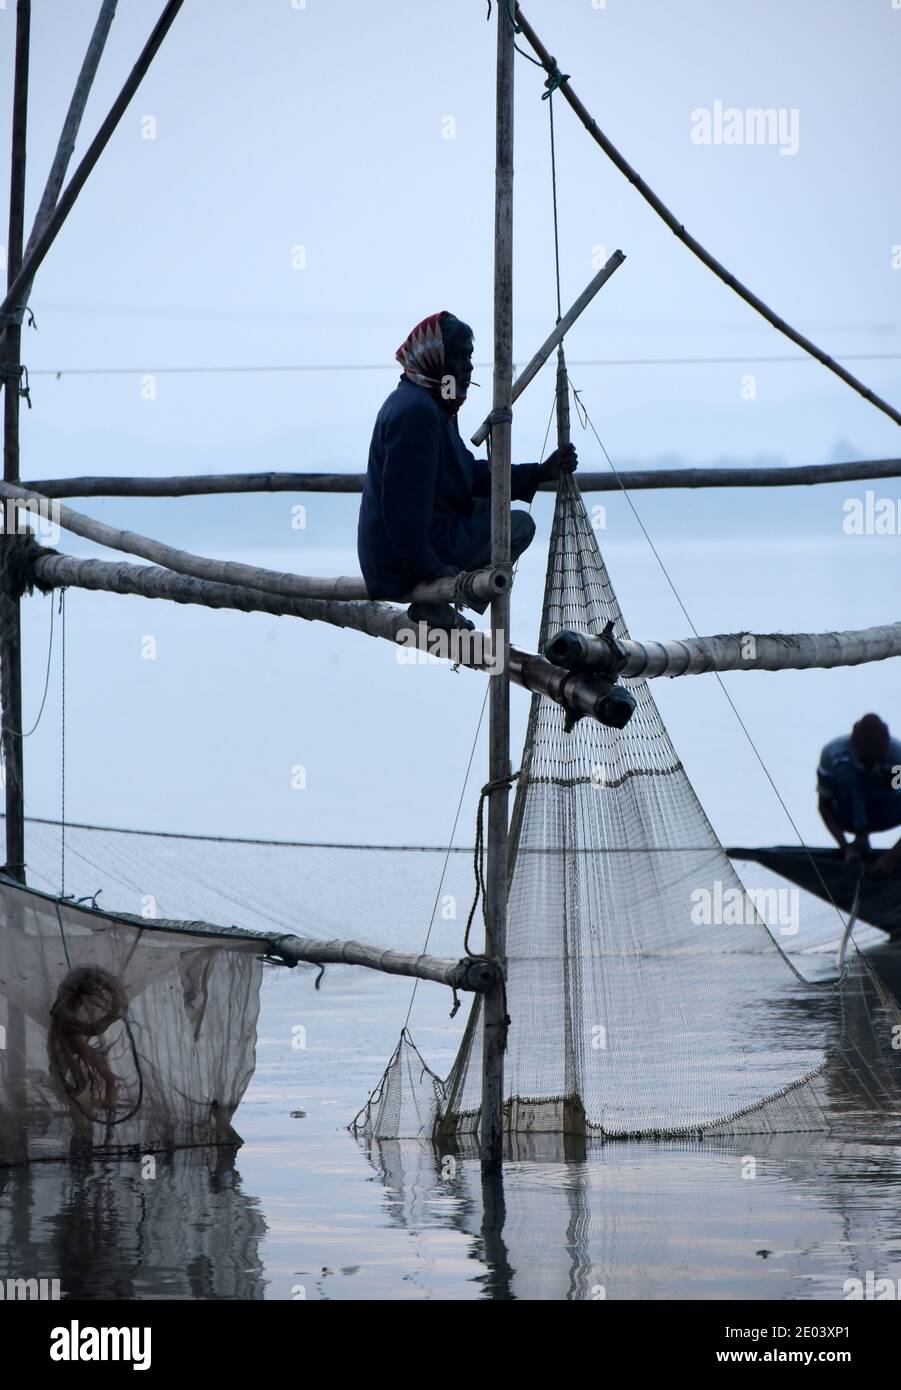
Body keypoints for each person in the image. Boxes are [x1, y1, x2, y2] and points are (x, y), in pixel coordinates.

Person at [357, 311, 577, 631]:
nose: (469, 367)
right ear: (436, 359)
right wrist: (435, 572)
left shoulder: (432, 404)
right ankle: (436, 601)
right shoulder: (416, 413)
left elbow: (466, 474)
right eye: (460, 356)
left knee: (492, 502)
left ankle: (441, 602)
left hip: (412, 545)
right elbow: (401, 515)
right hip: (397, 563)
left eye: (470, 356)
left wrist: (540, 472)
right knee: (517, 526)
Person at [817, 714, 901, 876]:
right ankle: (861, 837)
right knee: (845, 773)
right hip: (848, 812)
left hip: (886, 807)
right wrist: (846, 848)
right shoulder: (833, 755)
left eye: (877, 759)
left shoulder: (898, 759)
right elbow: (824, 804)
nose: (871, 765)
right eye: (866, 760)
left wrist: (893, 855)